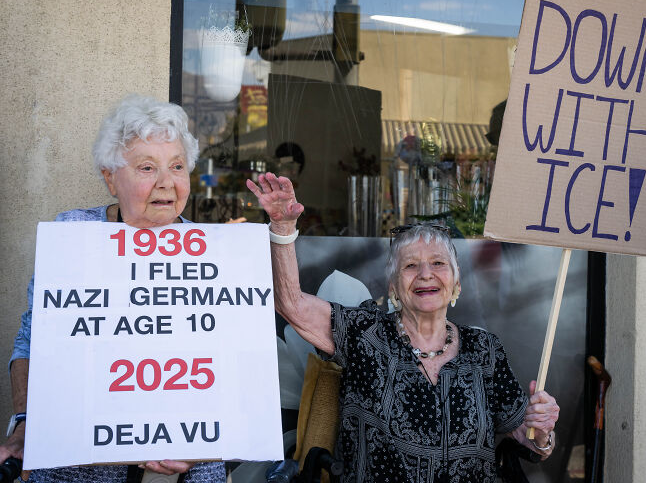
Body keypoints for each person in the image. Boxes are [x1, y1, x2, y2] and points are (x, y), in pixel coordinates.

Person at [247, 172, 560, 483]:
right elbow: (291, 305)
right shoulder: (364, 334)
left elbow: (530, 441)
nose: (426, 274)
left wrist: (542, 431)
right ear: (394, 288)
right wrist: (283, 228)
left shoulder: (485, 350)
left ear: (456, 283)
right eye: (411, 266)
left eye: (438, 263)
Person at [0, 95, 226, 482]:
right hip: (76, 458)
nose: (166, 183)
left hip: (185, 451)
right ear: (110, 178)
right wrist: (26, 422)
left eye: (176, 166)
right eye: (146, 168)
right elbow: (30, 342)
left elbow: (228, 364)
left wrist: (202, 449)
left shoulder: (213, 255)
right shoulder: (72, 235)